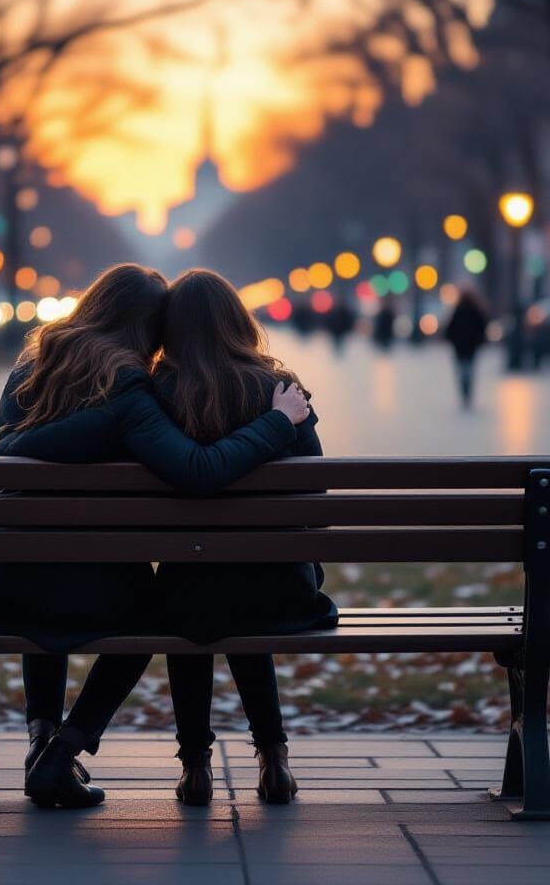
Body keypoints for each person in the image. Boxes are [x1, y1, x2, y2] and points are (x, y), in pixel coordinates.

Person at [0, 263, 312, 808]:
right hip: (111, 592)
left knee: (74, 566)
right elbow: (204, 473)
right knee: (162, 609)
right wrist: (276, 423)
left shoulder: (30, 369)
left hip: (2, 587)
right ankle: (66, 751)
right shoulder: (129, 394)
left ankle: (44, 742)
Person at [152, 269, 338, 806]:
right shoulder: (281, 390)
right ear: (238, 320)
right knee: (246, 586)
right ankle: (273, 758)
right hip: (283, 594)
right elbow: (317, 497)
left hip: (188, 598)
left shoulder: (159, 394)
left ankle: (194, 768)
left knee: (201, 596)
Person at [443, 287, 489, 408]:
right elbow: (482, 328)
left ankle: (464, 392)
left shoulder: (457, 311)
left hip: (459, 347)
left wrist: (452, 340)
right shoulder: (477, 311)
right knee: (470, 369)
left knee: (462, 370)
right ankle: (468, 392)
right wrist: (479, 341)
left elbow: (450, 329)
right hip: (471, 347)